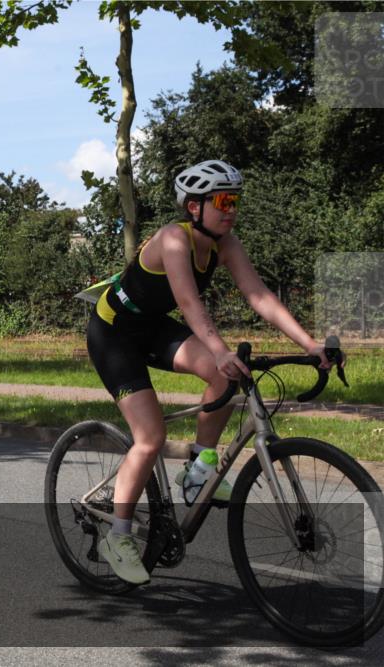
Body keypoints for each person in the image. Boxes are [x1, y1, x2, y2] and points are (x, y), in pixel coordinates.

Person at [86, 160, 334, 585]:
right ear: (194, 206)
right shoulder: (173, 239)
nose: (231, 209)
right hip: (113, 334)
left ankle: (198, 469)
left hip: (152, 328)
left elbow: (259, 296)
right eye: (223, 200)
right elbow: (188, 302)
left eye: (235, 200)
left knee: (227, 377)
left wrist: (310, 344)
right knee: (150, 438)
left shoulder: (226, 243)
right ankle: (119, 535)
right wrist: (219, 349)